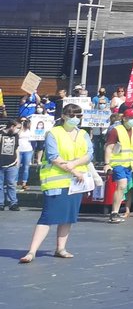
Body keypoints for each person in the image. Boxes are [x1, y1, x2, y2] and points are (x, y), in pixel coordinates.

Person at [20, 103, 92, 263]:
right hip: (56, 182)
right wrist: (72, 168)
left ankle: (61, 248)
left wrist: (74, 165)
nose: (75, 119)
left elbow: (89, 154)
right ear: (64, 116)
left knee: (68, 216)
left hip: (76, 182)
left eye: (78, 116)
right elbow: (53, 156)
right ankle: (32, 251)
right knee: (48, 216)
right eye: (72, 115)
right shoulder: (54, 133)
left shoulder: (83, 134)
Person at [102, 108, 133, 223]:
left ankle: (116, 211)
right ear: (124, 118)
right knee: (122, 184)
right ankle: (114, 213)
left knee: (123, 187)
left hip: (128, 164)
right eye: (130, 118)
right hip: (116, 162)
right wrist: (107, 164)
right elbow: (109, 147)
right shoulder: (116, 131)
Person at [0, 119, 20, 211]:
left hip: (12, 163)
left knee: (11, 184)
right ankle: (1, 203)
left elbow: (16, 148)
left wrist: (18, 160)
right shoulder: (1, 134)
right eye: (17, 128)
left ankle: (13, 203)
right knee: (0, 184)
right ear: (12, 127)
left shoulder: (16, 135)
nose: (18, 130)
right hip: (1, 163)